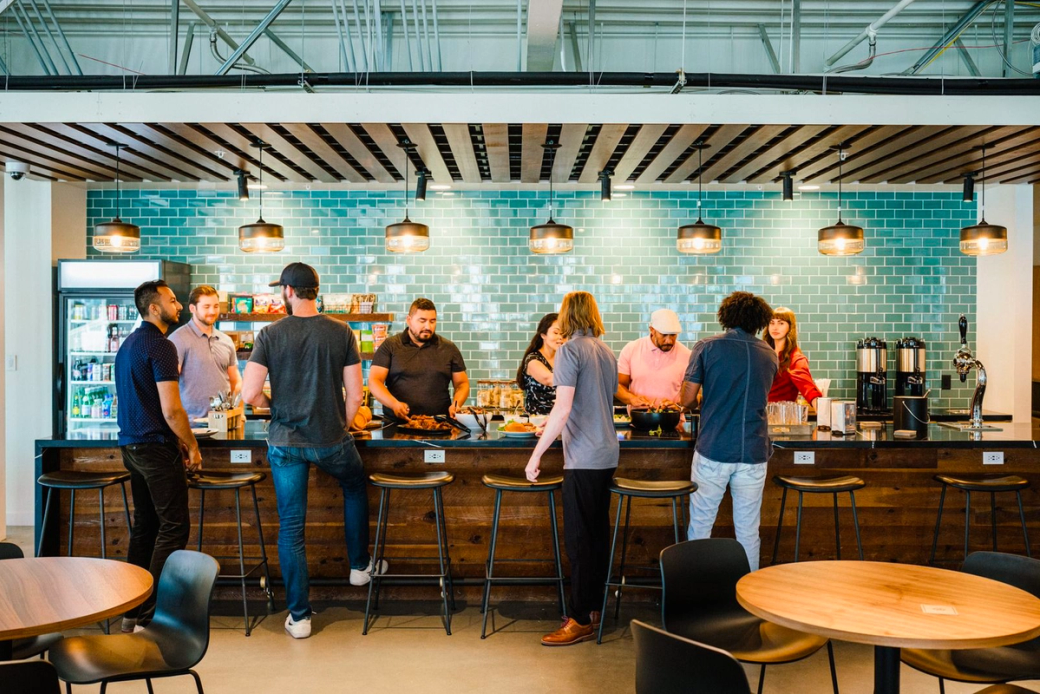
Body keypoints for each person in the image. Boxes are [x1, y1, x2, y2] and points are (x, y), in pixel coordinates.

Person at [242, 262, 384, 640]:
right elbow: (355, 394)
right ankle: (358, 567)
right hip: (331, 441)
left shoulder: (269, 333)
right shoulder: (341, 332)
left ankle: (300, 618)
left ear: (288, 291)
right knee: (354, 485)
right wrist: (342, 422)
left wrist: (275, 407)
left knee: (292, 527)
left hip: (286, 444)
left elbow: (249, 394)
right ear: (315, 291)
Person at [526, 292, 618, 646]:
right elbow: (585, 404)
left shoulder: (569, 350)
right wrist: (550, 427)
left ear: (567, 316)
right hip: (607, 452)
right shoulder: (605, 351)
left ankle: (578, 619)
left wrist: (536, 454)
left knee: (579, 540)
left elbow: (563, 409)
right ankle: (593, 607)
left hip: (583, 456)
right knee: (595, 535)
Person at [114, 279, 200, 633]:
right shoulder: (161, 346)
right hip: (153, 447)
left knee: (146, 527)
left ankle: (130, 611)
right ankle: (151, 613)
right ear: (154, 308)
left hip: (131, 446)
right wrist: (192, 445)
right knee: (175, 526)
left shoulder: (129, 344)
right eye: (173, 300)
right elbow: (172, 409)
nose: (178, 305)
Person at [679, 291, 777, 572]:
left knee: (700, 526)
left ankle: (696, 598)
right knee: (748, 530)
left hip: (714, 449)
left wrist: (700, 396)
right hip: (754, 451)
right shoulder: (769, 354)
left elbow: (686, 400)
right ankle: (749, 600)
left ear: (726, 317)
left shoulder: (707, 347)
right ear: (759, 321)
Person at [369, 298, 470, 420]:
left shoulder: (449, 348)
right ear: (409, 320)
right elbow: (374, 381)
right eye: (422, 321)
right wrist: (394, 404)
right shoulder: (390, 346)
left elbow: (462, 384)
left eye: (432, 321)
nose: (428, 326)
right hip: (397, 425)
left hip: (440, 425)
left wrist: (456, 404)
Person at [168, 285, 241, 421]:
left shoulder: (226, 340)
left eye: (216, 306)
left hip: (224, 422)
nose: (212, 311)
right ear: (192, 308)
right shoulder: (178, 339)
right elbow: (169, 385)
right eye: (206, 307)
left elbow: (235, 381)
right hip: (191, 425)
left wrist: (238, 413)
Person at [615, 308, 692, 408]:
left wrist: (679, 406)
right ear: (652, 330)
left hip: (674, 422)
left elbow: (694, 395)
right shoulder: (631, 349)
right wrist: (632, 399)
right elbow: (618, 385)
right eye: (663, 335)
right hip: (638, 421)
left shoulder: (686, 355)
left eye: (673, 335)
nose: (669, 340)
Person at [762, 307, 823, 407]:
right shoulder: (764, 353)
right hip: (759, 415)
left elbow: (808, 388)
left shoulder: (795, 358)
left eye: (781, 323)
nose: (775, 327)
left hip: (781, 417)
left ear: (790, 327)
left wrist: (822, 411)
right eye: (772, 323)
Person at [516, 312, 563, 415]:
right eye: (556, 333)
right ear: (543, 335)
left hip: (559, 421)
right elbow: (548, 379)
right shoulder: (533, 359)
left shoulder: (563, 359)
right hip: (536, 423)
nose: (560, 337)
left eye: (564, 334)